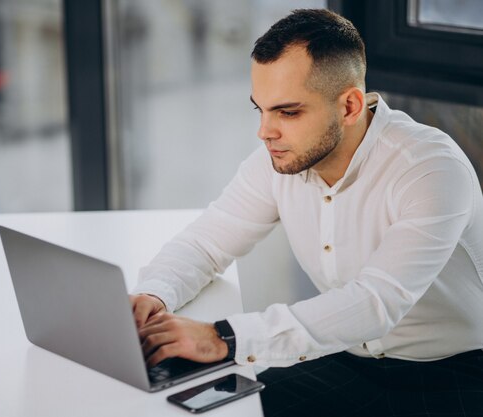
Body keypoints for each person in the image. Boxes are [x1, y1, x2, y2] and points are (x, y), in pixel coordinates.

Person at [130, 8, 483, 417]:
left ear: (350, 106)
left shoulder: (430, 168)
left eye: (288, 112)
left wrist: (222, 338)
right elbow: (205, 243)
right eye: (259, 109)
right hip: (349, 360)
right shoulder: (279, 160)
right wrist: (154, 293)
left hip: (457, 374)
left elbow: (377, 302)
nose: (265, 131)